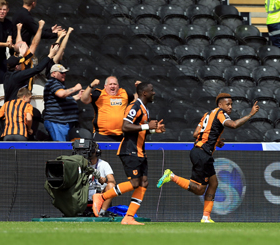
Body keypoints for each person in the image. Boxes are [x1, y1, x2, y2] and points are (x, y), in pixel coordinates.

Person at [157, 94, 259, 223]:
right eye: (228, 104)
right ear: (220, 105)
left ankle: (206, 217)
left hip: (200, 151)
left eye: (232, 104)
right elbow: (233, 125)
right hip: (202, 153)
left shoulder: (207, 115)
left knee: (214, 183)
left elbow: (196, 134)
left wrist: (215, 141)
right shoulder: (221, 113)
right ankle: (171, 176)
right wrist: (250, 114)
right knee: (199, 190)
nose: (230, 107)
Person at [92, 82, 165, 225]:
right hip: (129, 150)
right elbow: (125, 126)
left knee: (143, 183)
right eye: (152, 91)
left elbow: (139, 129)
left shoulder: (145, 109)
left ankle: (129, 217)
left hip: (140, 151)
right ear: (144, 93)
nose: (154, 93)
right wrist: (146, 126)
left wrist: (153, 130)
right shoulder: (135, 106)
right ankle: (102, 197)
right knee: (134, 182)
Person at [80, 77, 138, 142]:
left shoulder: (124, 93)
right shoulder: (99, 94)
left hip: (120, 135)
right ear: (105, 86)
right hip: (102, 135)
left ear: (118, 86)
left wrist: (139, 88)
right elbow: (84, 99)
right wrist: (91, 86)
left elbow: (136, 98)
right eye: (110, 84)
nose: (112, 86)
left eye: (115, 84)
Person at [43, 64, 82, 142]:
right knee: (61, 147)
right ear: (53, 73)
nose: (64, 74)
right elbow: (61, 94)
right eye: (61, 72)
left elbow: (64, 98)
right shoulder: (52, 82)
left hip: (62, 122)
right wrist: (75, 88)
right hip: (57, 122)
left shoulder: (58, 84)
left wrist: (78, 96)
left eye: (64, 73)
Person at [87, 141, 116, 217]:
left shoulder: (103, 164)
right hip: (83, 193)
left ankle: (102, 212)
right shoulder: (79, 164)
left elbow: (112, 181)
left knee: (111, 186)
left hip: (100, 193)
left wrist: (104, 180)